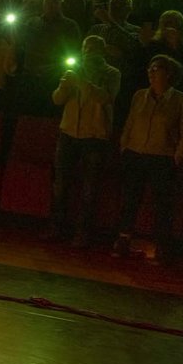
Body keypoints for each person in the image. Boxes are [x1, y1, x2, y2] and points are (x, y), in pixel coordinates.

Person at [113, 54, 183, 263]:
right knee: (130, 199)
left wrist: (178, 155)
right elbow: (130, 121)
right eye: (150, 68)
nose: (150, 72)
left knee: (162, 203)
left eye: (156, 68)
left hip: (162, 157)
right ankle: (124, 239)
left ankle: (162, 246)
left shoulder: (181, 100)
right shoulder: (140, 95)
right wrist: (125, 145)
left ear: (169, 74)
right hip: (136, 153)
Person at [44, 36, 120, 247]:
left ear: (102, 51)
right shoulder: (74, 71)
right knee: (60, 183)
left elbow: (105, 98)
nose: (88, 52)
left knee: (89, 187)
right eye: (86, 47)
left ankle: (83, 232)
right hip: (69, 132)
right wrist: (64, 86)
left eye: (93, 48)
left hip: (94, 136)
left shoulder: (111, 73)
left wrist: (80, 81)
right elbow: (57, 99)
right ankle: (56, 226)